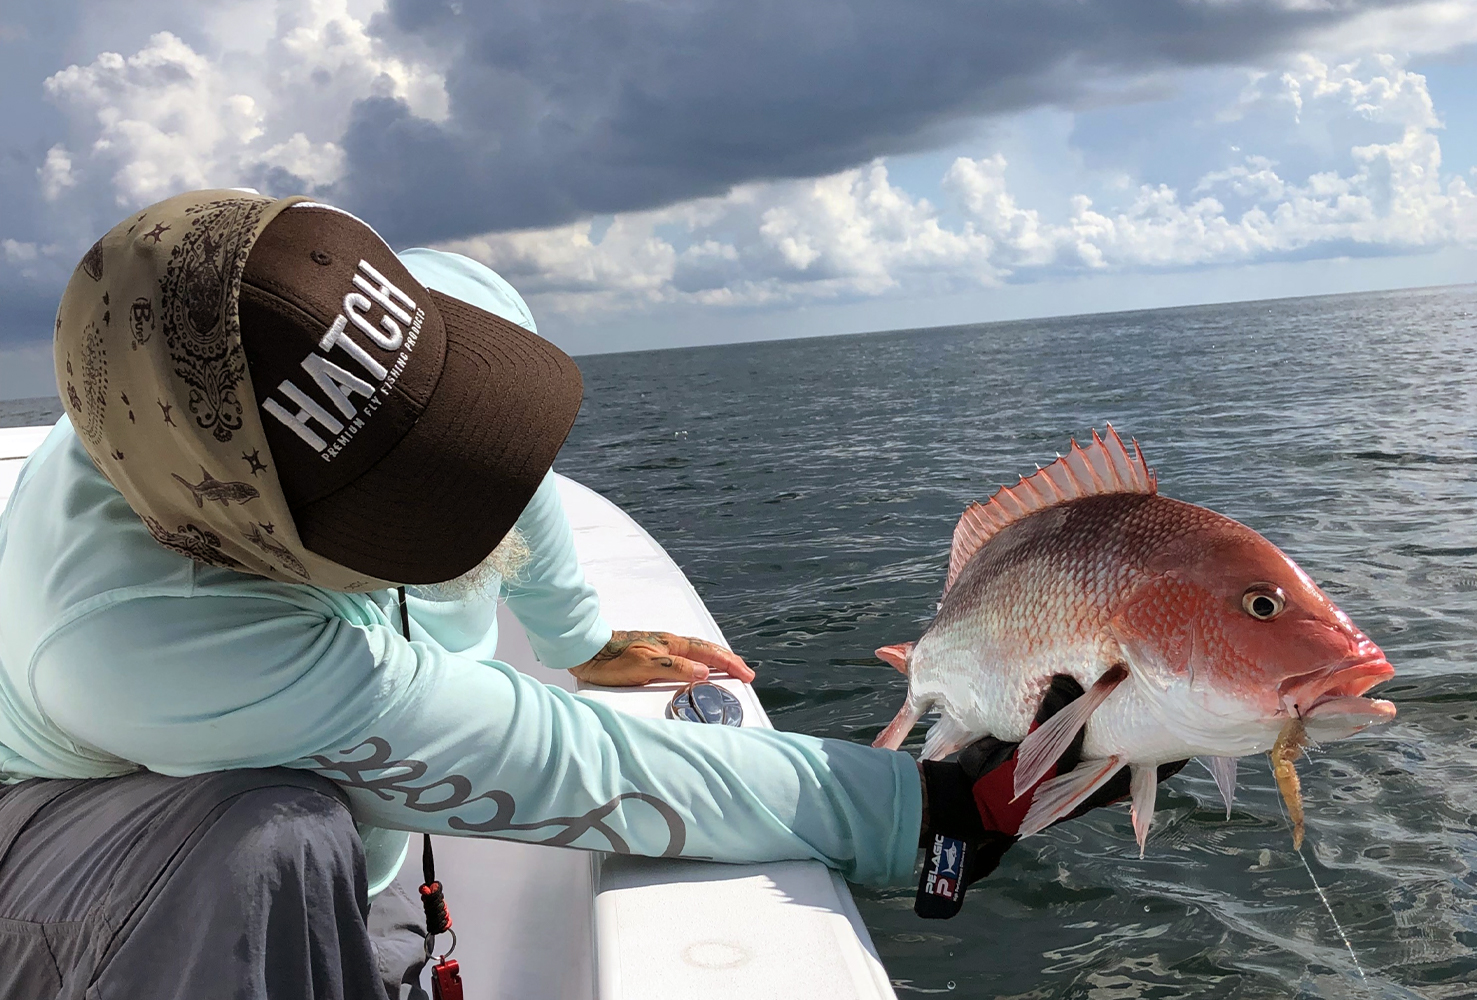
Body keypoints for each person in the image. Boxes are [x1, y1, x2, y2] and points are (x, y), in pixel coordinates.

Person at [0, 190, 1181, 999]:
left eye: (447, 420)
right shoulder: (138, 636)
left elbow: (510, 477)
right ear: (238, 528)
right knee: (269, 843)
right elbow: (567, 766)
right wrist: (934, 818)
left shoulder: (426, 306)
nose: (462, 521)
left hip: (348, 851)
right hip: (104, 887)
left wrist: (585, 639)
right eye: (398, 510)